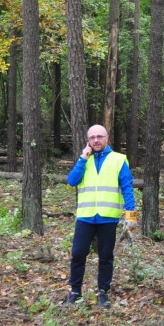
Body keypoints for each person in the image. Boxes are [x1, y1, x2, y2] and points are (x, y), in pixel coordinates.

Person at [63, 125, 136, 308]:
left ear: (107, 138)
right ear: (88, 140)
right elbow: (72, 181)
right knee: (78, 254)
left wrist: (131, 215)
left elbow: (127, 187)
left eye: (99, 137)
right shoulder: (84, 160)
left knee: (105, 256)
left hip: (108, 216)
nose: (96, 140)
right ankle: (75, 292)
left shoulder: (118, 160)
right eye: (92, 137)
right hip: (85, 216)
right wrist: (82, 159)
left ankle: (103, 293)